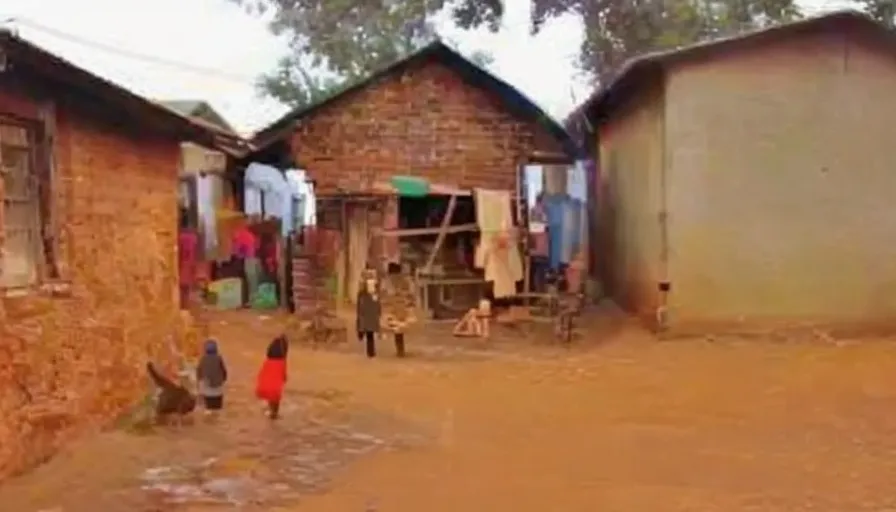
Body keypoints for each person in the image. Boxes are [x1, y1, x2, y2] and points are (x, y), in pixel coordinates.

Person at [255, 335, 289, 419]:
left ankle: (270, 412)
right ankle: (274, 414)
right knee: (275, 401)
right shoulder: (282, 362)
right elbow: (284, 376)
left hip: (264, 386)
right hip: (275, 389)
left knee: (270, 399)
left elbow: (262, 373)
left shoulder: (268, 361)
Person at [195, 339, 228, 416]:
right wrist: (224, 378)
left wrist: (199, 381)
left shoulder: (203, 359)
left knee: (208, 401)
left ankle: (208, 410)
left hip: (207, 387)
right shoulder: (218, 358)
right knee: (217, 403)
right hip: (218, 387)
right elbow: (223, 370)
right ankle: (216, 409)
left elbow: (199, 371)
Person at [356, 271, 382, 358]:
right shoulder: (370, 289)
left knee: (368, 332)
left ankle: (370, 351)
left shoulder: (368, 290)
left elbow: (377, 302)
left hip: (368, 311)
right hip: (367, 311)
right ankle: (370, 351)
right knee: (369, 332)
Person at [178, 208, 198, 309]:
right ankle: (186, 307)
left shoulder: (180, 236)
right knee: (186, 287)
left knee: (181, 288)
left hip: (182, 263)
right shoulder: (193, 236)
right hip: (190, 263)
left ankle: (183, 307)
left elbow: (180, 252)